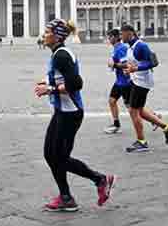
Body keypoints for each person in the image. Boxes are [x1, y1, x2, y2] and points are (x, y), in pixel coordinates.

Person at [33, 19, 115, 212]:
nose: (44, 35)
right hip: (63, 111)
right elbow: (64, 76)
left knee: (59, 157)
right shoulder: (58, 53)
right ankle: (66, 196)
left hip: (71, 113)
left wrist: (50, 89)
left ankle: (99, 180)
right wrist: (47, 81)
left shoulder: (61, 55)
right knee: (50, 154)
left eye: (47, 32)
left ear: (57, 36)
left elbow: (76, 83)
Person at [120, 24, 168, 153]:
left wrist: (136, 69)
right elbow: (135, 63)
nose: (121, 37)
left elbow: (152, 62)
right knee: (139, 111)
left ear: (130, 33)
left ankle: (142, 142)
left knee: (133, 111)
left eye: (122, 34)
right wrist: (128, 70)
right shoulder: (131, 47)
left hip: (142, 83)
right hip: (136, 80)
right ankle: (167, 127)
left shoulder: (141, 46)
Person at [103, 28, 130, 134]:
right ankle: (116, 124)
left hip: (125, 82)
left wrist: (114, 65)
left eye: (109, 37)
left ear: (114, 37)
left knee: (133, 108)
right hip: (119, 81)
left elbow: (126, 64)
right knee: (112, 101)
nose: (108, 39)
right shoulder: (116, 48)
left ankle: (155, 118)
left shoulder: (121, 48)